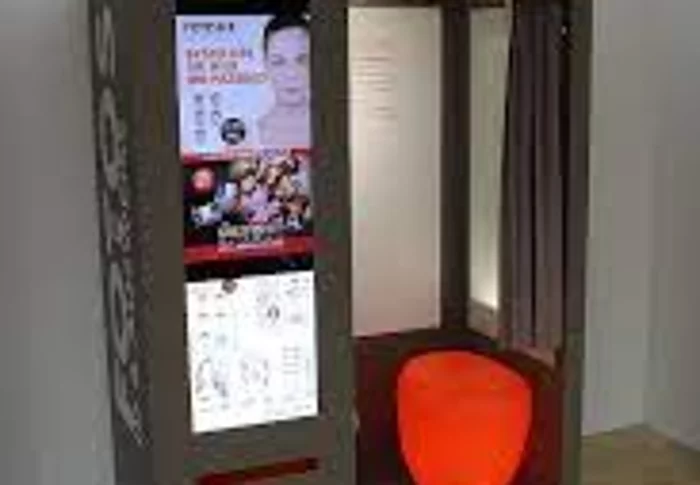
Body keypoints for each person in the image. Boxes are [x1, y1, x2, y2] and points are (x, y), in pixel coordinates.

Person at [258, 14, 311, 148]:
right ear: (265, 64)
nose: (291, 74)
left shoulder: (333, 127)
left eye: (301, 60)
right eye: (278, 62)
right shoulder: (251, 135)